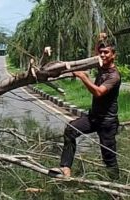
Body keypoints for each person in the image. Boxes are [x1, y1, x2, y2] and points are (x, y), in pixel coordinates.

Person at [50, 33, 121, 179]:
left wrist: (83, 77)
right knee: (71, 129)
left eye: (106, 52)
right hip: (93, 117)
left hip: (107, 122)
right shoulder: (102, 66)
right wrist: (99, 40)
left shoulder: (114, 76)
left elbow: (99, 92)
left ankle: (117, 189)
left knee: (109, 157)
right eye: (100, 52)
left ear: (114, 55)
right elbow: (97, 54)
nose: (102, 55)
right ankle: (65, 168)